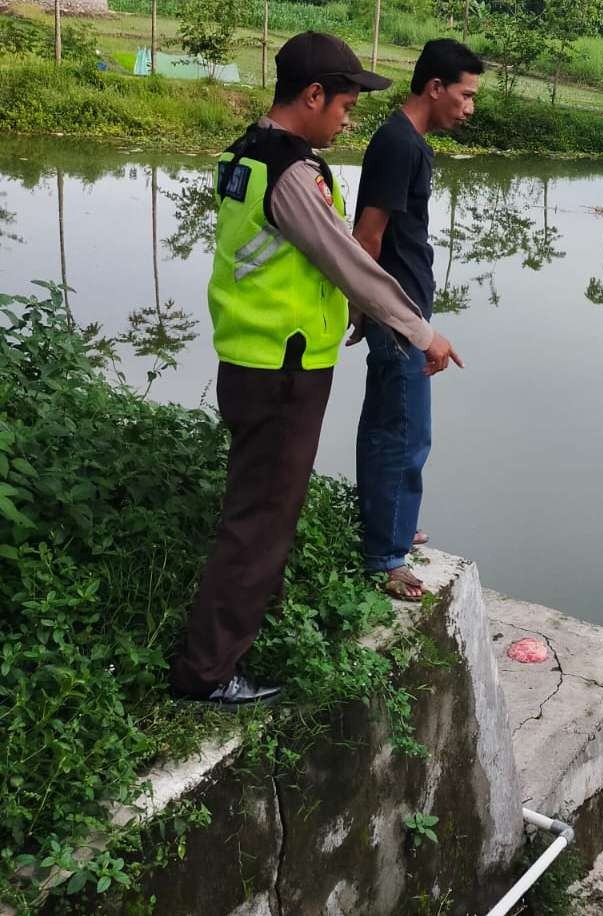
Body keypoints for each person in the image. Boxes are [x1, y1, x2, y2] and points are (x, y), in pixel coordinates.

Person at [169, 32, 462, 706]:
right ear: (312, 95)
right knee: (260, 519)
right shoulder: (291, 171)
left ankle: (239, 639)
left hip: (258, 360)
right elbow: (351, 262)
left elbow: (299, 268)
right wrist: (419, 332)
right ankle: (207, 672)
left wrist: (353, 322)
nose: (349, 118)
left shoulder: (244, 153)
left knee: (265, 510)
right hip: (281, 370)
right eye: (346, 104)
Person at [351, 39, 482, 600]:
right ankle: (386, 555)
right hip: (400, 312)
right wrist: (382, 312)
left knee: (387, 424)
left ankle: (391, 526)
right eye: (466, 94)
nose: (470, 107)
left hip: (399, 307)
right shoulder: (400, 144)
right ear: (435, 88)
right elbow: (367, 236)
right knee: (404, 434)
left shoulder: (405, 142)